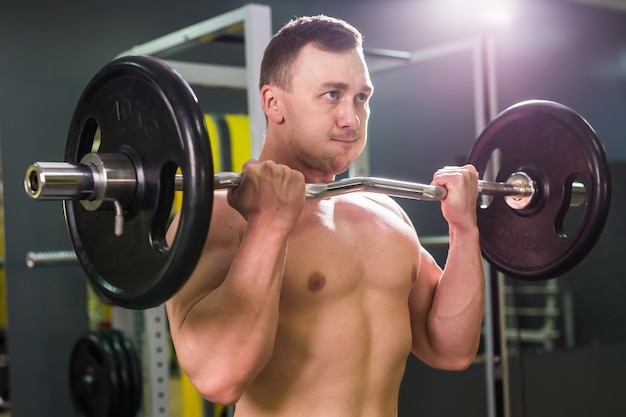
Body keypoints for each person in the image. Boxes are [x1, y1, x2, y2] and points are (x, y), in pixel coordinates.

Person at [166, 14, 485, 417]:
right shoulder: (218, 217)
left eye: (361, 98)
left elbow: (450, 348)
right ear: (273, 103)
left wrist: (464, 229)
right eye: (332, 94)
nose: (351, 118)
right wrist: (269, 225)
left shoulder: (383, 211)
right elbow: (218, 379)